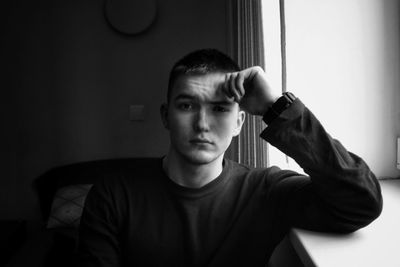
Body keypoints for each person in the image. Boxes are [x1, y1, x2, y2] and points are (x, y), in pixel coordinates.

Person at [77, 49, 382, 266]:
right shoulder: (113, 194)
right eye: (186, 106)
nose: (202, 123)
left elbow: (360, 202)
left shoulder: (266, 190)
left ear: (239, 123)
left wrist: (276, 107)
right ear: (165, 116)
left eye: (220, 108)